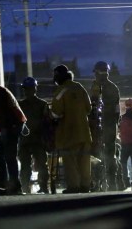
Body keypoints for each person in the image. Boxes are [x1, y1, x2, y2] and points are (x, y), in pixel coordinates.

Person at [51, 64, 93, 194]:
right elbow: (89, 108)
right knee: (84, 159)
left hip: (68, 133)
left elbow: (56, 113)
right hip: (84, 133)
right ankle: (85, 186)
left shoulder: (61, 90)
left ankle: (73, 186)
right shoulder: (79, 87)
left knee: (70, 160)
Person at [89, 60, 122, 191]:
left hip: (100, 126)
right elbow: (117, 111)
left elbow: (92, 106)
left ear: (98, 72)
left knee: (98, 154)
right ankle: (110, 182)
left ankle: (99, 183)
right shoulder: (113, 87)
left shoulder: (97, 86)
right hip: (108, 126)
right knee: (109, 154)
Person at [17, 76, 52, 194]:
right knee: (28, 166)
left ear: (34, 89)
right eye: (26, 89)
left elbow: (48, 123)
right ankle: (28, 188)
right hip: (29, 141)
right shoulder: (21, 105)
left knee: (39, 165)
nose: (27, 91)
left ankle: (40, 187)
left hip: (37, 140)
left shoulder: (41, 104)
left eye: (29, 89)